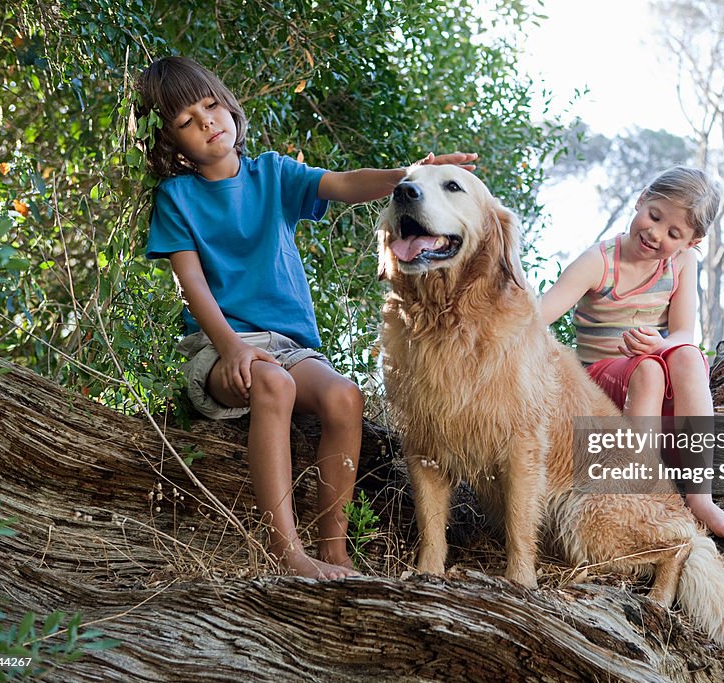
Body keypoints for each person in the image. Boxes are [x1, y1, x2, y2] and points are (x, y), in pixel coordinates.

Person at [136, 56, 477, 578]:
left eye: (211, 106)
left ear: (229, 106)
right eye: (186, 121)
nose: (206, 123)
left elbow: (342, 184)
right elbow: (191, 284)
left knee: (345, 396)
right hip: (219, 346)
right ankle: (287, 553)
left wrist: (411, 176)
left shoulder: (272, 174)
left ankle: (333, 550)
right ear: (170, 142)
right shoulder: (176, 198)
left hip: (291, 346)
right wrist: (229, 347)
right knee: (274, 387)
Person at [539, 166, 724, 541]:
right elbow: (538, 317)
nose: (655, 234)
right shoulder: (598, 262)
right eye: (653, 216)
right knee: (650, 371)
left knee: (687, 356)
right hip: (601, 386)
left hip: (652, 386)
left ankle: (700, 497)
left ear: (692, 241)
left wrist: (660, 344)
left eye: (674, 233)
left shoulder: (682, 263)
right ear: (640, 200)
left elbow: (685, 331)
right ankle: (640, 484)